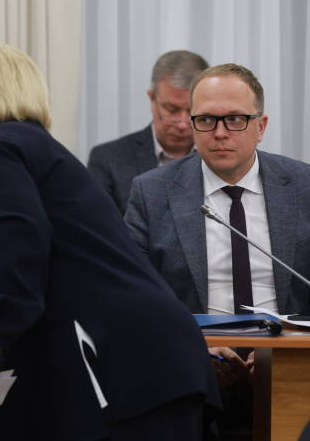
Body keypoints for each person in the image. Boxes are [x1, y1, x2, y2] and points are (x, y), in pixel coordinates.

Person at [0, 42, 219, 440]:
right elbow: (39, 272)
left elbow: (17, 256)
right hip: (151, 364)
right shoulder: (36, 149)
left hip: (123, 375)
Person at [124, 63, 310, 434]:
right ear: (193, 124)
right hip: (192, 373)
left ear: (261, 126)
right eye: (207, 120)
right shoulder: (152, 192)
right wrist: (193, 350)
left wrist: (285, 353)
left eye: (235, 119)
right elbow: (132, 298)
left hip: (292, 372)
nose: (220, 133)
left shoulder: (303, 186)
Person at [87, 50, 208, 214]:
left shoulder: (220, 155)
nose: (182, 124)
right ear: (152, 98)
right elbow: (100, 225)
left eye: (192, 111)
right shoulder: (109, 159)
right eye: (171, 110)